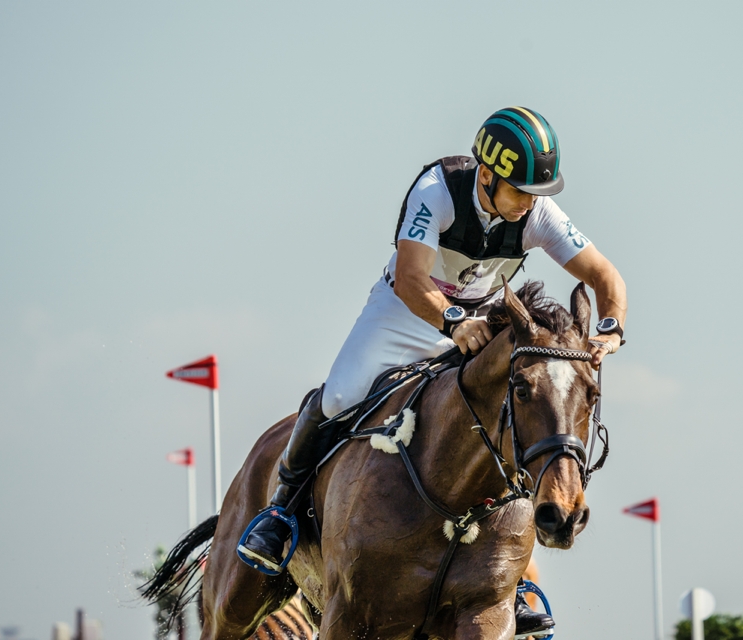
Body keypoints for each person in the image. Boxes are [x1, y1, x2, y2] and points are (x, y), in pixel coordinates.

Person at [239, 107, 628, 637]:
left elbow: (605, 276)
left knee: (507, 413)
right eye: (521, 191)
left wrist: (611, 327)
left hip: (482, 320)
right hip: (406, 312)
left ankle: (511, 578)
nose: (531, 204)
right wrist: (452, 322)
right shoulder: (437, 191)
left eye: (538, 193)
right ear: (486, 175)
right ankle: (280, 515)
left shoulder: (537, 213)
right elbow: (410, 275)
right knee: (338, 397)